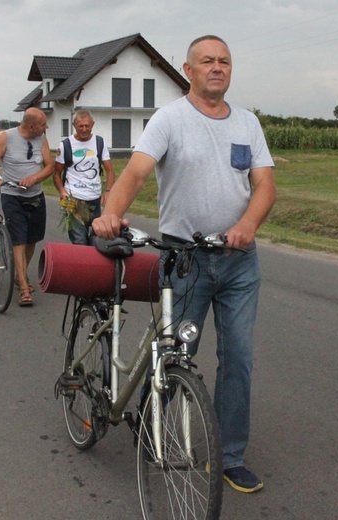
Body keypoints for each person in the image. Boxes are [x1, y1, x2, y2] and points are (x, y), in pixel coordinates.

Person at [92, 35, 276, 494]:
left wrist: (248, 225)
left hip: (238, 263)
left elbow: (265, 186)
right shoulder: (169, 119)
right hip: (186, 261)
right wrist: (112, 212)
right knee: (175, 354)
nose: (217, 67)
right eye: (207, 61)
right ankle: (155, 430)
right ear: (188, 70)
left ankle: (230, 456)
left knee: (238, 359)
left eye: (224, 61)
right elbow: (135, 172)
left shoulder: (248, 123)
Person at [0, 107, 54, 307]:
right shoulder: (7, 138)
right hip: (12, 196)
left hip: (35, 196)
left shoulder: (42, 139)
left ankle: (19, 275)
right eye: (42, 125)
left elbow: (50, 166)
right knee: (18, 241)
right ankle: (23, 287)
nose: (46, 127)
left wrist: (35, 178)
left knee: (32, 239)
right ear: (31, 126)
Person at [53, 109, 115, 245]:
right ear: (74, 125)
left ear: (93, 124)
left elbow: (110, 170)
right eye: (81, 126)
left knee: (97, 240)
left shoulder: (100, 143)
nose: (84, 129)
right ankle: (82, 265)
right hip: (73, 199)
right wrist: (62, 192)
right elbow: (56, 173)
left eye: (87, 125)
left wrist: (108, 191)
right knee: (79, 241)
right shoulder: (65, 145)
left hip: (94, 198)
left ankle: (93, 265)